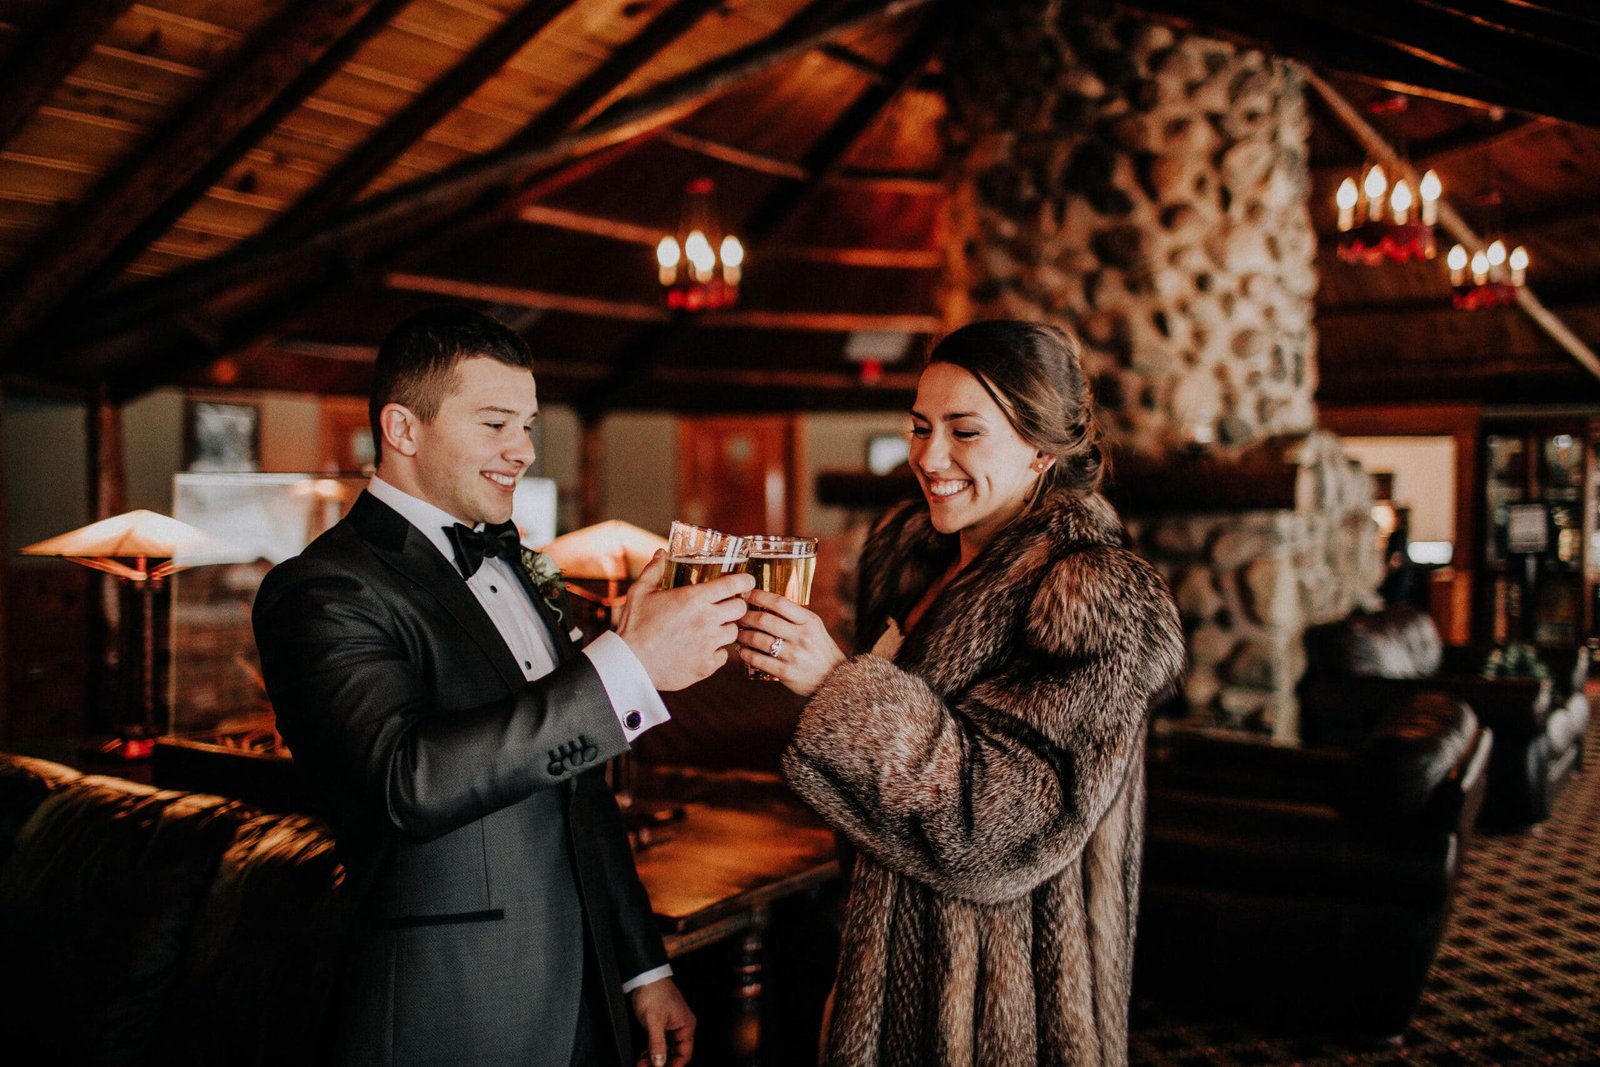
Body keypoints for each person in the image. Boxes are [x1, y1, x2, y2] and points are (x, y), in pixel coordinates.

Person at [253, 305, 753, 1067]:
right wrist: (628, 666)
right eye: (495, 424)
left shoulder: (517, 563)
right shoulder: (322, 588)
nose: (521, 450)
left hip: (589, 992)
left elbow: (577, 788)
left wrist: (641, 965)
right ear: (402, 428)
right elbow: (407, 781)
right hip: (452, 1007)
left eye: (528, 425)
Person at [735, 320, 1185, 1065]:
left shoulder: (1091, 595)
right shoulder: (913, 561)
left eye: (964, 431)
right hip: (886, 965)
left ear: (1042, 449)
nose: (929, 456)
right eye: (919, 426)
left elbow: (1002, 823)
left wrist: (835, 684)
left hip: (1003, 1011)